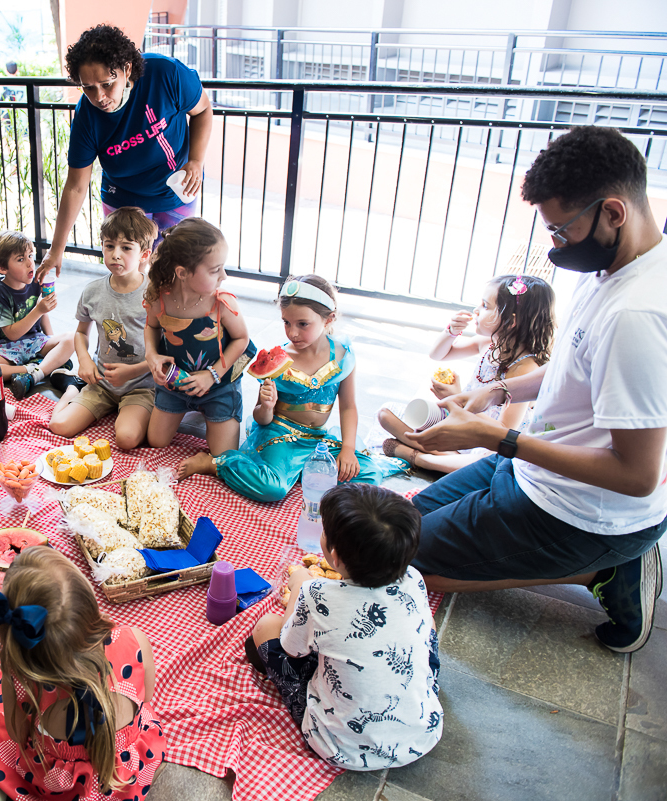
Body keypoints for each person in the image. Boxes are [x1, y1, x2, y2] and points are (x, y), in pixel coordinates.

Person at [407, 125, 665, 654]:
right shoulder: (610, 268)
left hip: (582, 511)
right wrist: (495, 392)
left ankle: (605, 567)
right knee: (398, 525)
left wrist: (494, 437)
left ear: (613, 213)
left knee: (401, 563)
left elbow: (637, 476)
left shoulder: (636, 314)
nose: (555, 247)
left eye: (561, 232)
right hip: (531, 466)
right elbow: (574, 366)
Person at [0, 547, 164, 800]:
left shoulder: (24, 681)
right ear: (88, 601)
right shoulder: (134, 639)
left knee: (1, 703)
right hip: (126, 772)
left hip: (59, 783)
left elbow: (16, 734)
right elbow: (146, 698)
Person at [246, 483, 443, 770]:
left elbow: (292, 647)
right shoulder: (413, 578)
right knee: (428, 623)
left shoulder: (316, 593)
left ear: (335, 557)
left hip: (338, 745)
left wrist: (300, 585)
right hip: (422, 733)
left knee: (266, 626)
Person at [180, 274, 405, 497]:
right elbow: (261, 418)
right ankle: (216, 463)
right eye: (286, 322)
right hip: (281, 437)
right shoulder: (278, 360)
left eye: (303, 324)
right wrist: (266, 407)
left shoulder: (343, 356)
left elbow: (348, 407)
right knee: (272, 489)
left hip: (318, 440)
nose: (292, 332)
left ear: (329, 319)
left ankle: (296, 471)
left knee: (370, 474)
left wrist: (347, 449)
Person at [38, 24, 213, 281]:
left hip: (175, 191)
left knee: (174, 273)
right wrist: (56, 250)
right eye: (88, 87)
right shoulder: (87, 117)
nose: (100, 97)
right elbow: (76, 186)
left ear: (127, 69)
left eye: (107, 84)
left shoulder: (166, 73)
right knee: (129, 277)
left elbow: (203, 110)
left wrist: (196, 160)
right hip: (123, 198)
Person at [377, 274, 554, 473]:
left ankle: (421, 458)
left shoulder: (525, 368)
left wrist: (457, 398)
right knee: (386, 414)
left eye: (485, 306)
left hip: (485, 441)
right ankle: (449, 460)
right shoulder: (487, 344)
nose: (476, 310)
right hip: (459, 423)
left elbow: (504, 430)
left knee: (490, 461)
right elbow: (438, 354)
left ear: (510, 321)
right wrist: (451, 332)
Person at [142, 218, 254, 469]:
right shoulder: (158, 297)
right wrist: (151, 354)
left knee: (222, 454)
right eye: (215, 270)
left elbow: (242, 339)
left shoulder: (221, 303)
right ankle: (192, 409)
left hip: (219, 384)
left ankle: (207, 414)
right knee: (156, 441)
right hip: (176, 382)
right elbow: (152, 326)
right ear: (182, 273)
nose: (224, 276)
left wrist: (211, 375)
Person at [48, 207, 156, 449]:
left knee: (126, 439)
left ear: (144, 254)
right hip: (101, 383)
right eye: (109, 246)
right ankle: (72, 389)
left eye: (126, 248)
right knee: (59, 426)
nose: (115, 254)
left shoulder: (154, 294)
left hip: (141, 387)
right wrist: (84, 360)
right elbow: (80, 333)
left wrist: (132, 372)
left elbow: (164, 352)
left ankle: (128, 411)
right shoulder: (93, 291)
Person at [0, 230, 83, 400]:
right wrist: (39, 309)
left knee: (72, 338)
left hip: (35, 342)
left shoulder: (36, 282)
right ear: (2, 268)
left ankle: (35, 374)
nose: (30, 263)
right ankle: (35, 367)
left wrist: (52, 340)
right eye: (20, 259)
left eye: (30, 255)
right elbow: (12, 334)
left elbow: (42, 316)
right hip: (7, 347)